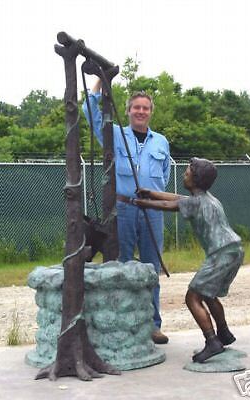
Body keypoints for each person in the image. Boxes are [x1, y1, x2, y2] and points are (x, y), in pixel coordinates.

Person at [82, 79, 171, 344]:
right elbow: (90, 112)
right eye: (136, 108)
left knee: (150, 268)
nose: (141, 112)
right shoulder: (115, 134)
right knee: (120, 264)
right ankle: (120, 321)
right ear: (129, 110)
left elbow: (164, 174)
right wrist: (98, 82)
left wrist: (152, 194)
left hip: (152, 211)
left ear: (150, 112)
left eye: (145, 108)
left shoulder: (161, 142)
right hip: (123, 209)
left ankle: (152, 325)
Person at [134, 157, 244, 362]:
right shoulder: (208, 198)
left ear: (196, 179)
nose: (184, 174)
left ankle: (212, 342)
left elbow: (170, 204)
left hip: (221, 252)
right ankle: (224, 333)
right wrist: (150, 193)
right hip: (234, 250)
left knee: (192, 297)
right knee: (209, 294)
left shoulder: (195, 203)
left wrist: (142, 203)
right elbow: (176, 198)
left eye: (187, 172)